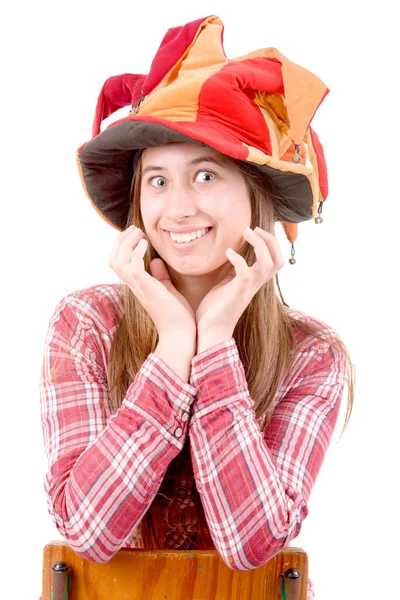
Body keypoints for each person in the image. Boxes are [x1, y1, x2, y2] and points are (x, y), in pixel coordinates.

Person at [39, 15, 355, 600]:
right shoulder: (86, 325)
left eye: (205, 174)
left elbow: (252, 546)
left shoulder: (314, 355)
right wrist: (171, 349)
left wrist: (214, 344)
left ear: (255, 195)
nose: (177, 208)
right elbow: (87, 531)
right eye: (157, 181)